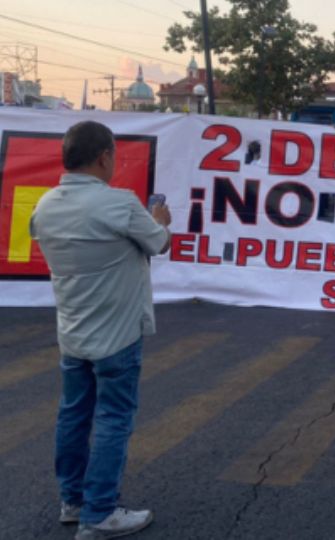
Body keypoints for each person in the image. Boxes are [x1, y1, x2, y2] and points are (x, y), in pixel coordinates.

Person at [29, 120, 171, 540]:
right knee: (113, 418)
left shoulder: (46, 206)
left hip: (72, 332)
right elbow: (159, 242)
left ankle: (73, 502)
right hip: (118, 336)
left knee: (73, 415)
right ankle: (100, 513)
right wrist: (158, 218)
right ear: (104, 156)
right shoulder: (121, 205)